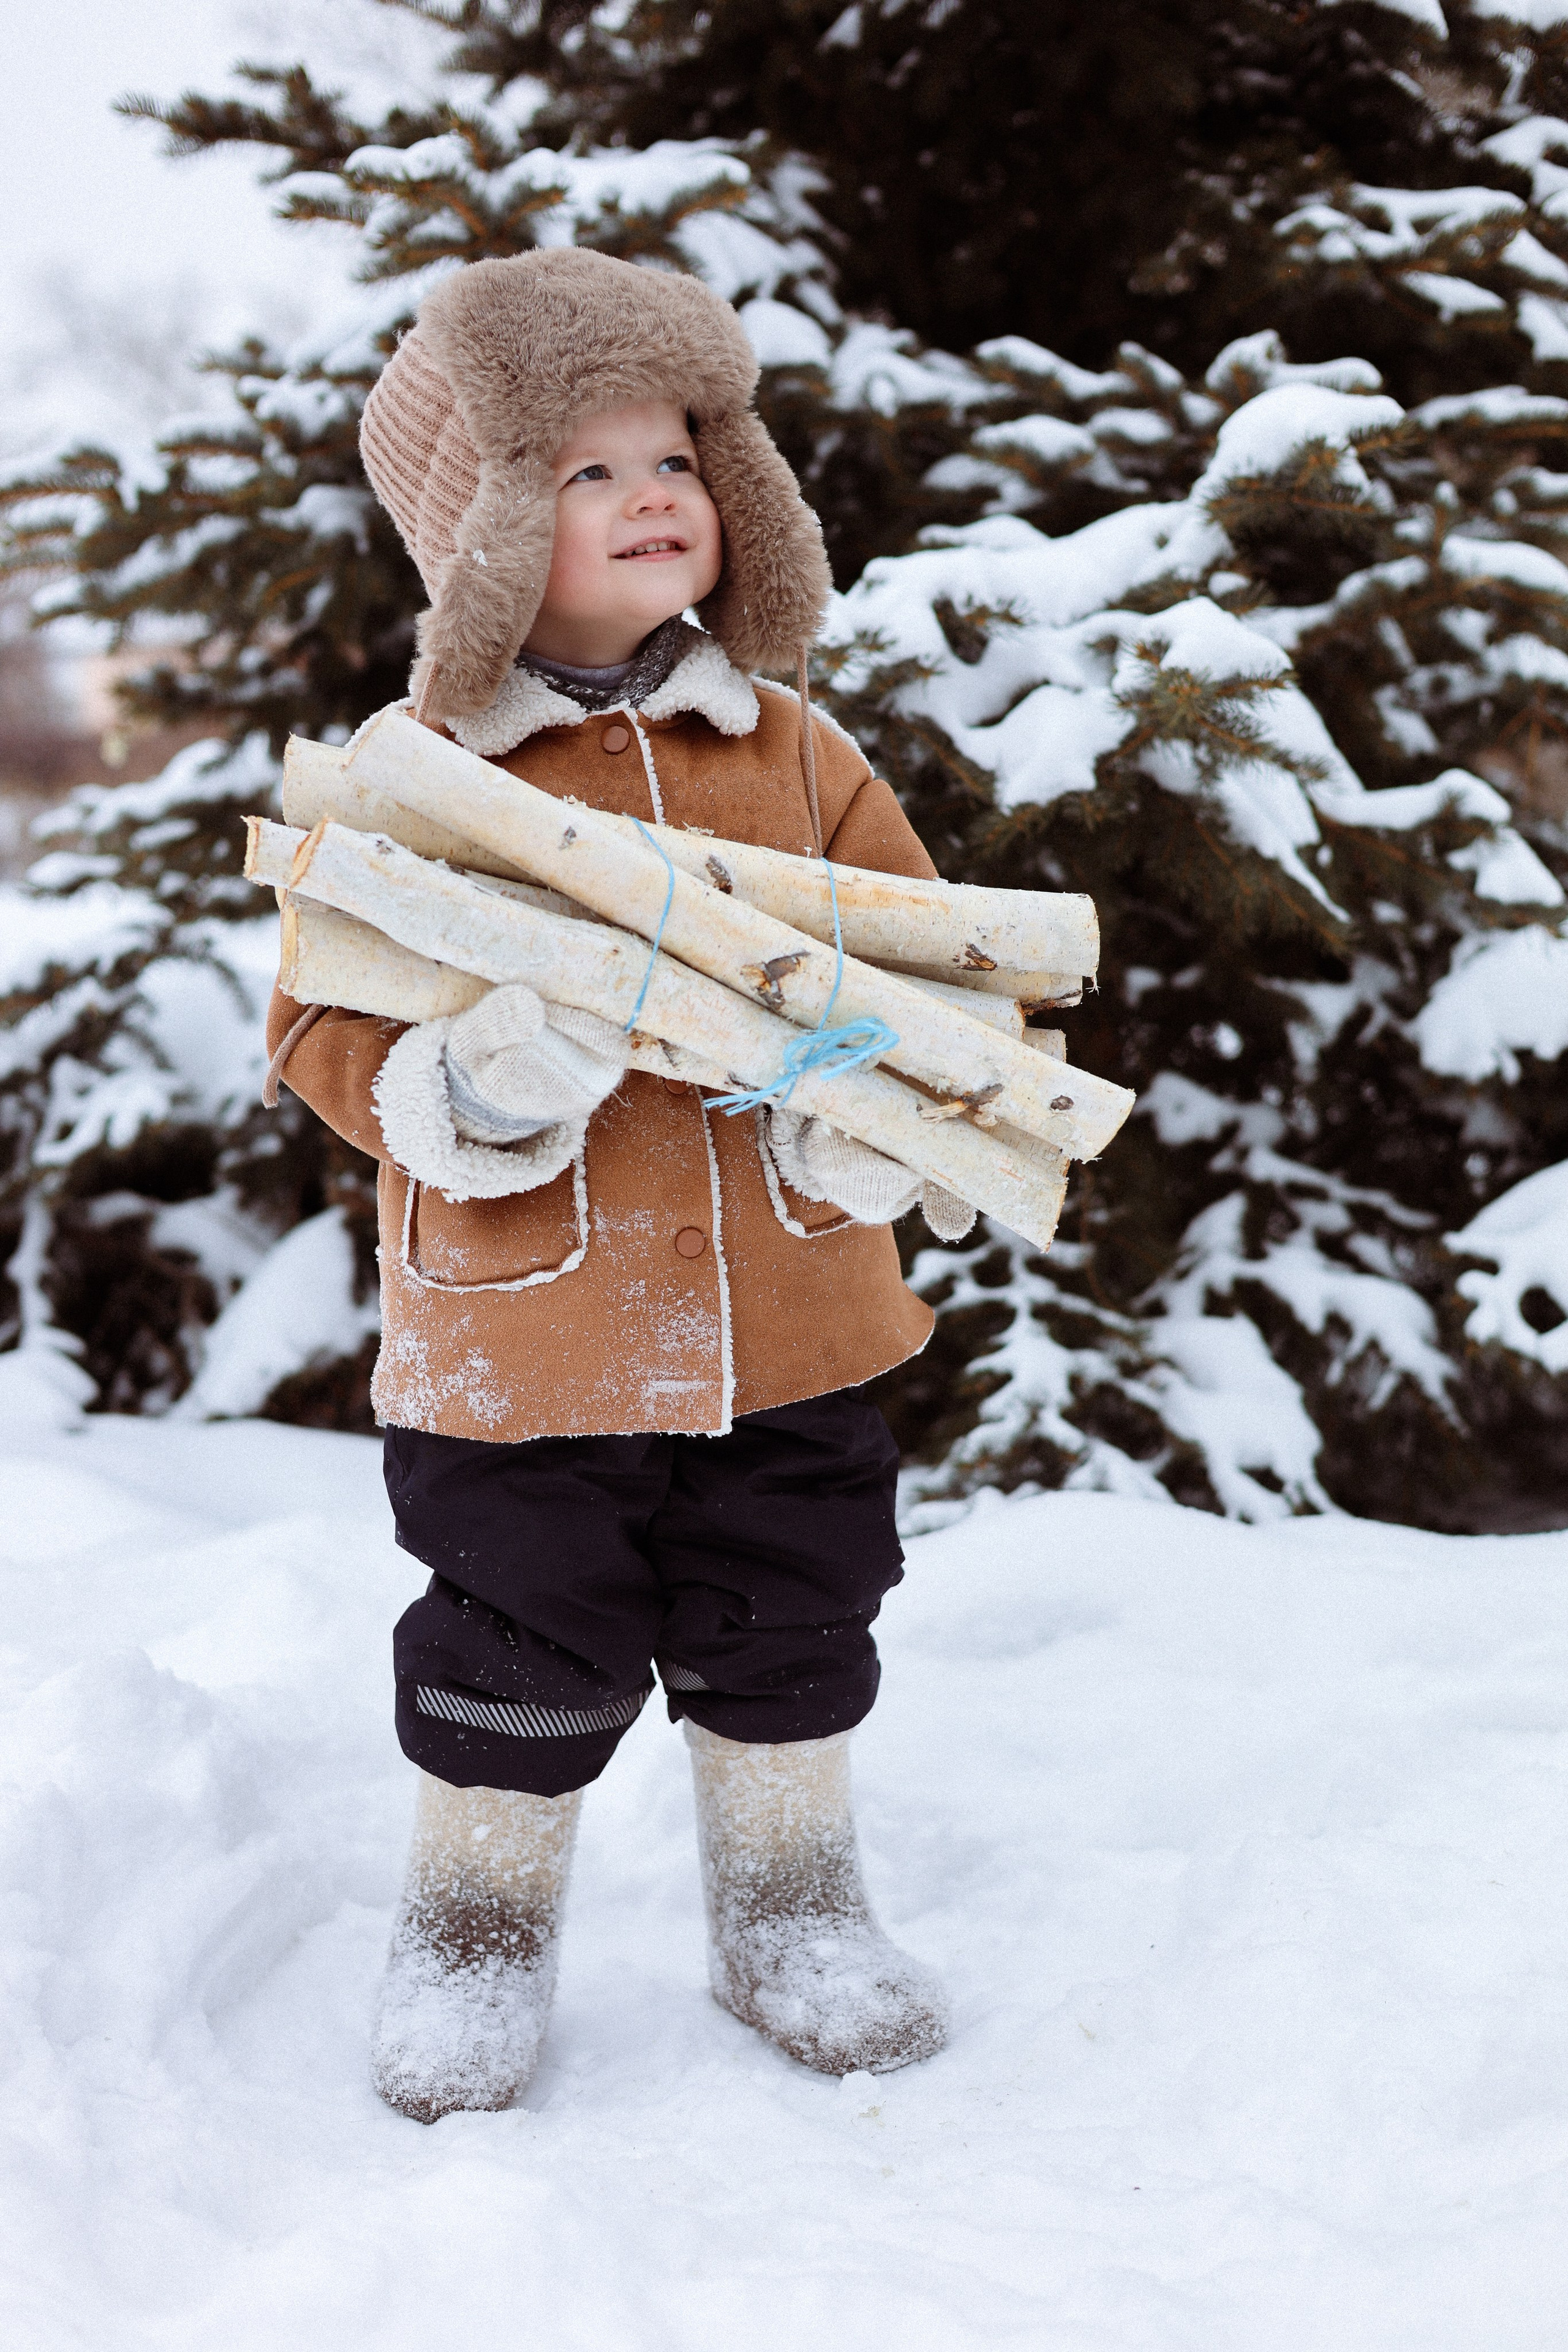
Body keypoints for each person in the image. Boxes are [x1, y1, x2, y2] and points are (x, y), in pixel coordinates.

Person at [264, 249, 977, 2122]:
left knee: (799, 1615)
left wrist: (885, 1118)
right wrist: (472, 1083)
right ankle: (478, 1933)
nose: (651, 494)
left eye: (673, 453)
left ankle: (791, 1911)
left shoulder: (797, 752)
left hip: (795, 1313)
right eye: (585, 471)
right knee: (518, 1634)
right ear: (489, 519)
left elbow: (924, 982)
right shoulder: (413, 782)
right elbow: (319, 1037)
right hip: (534, 1336)